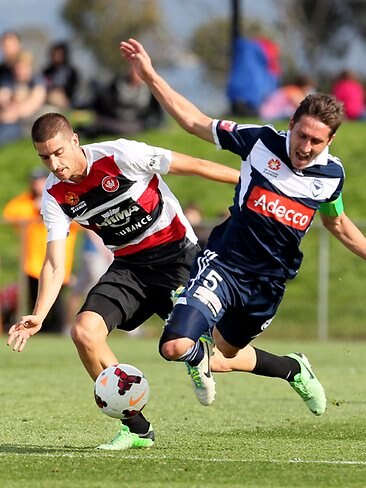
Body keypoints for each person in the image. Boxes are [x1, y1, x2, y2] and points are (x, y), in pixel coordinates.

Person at [120, 38, 366, 416]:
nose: (305, 146)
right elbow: (194, 122)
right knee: (174, 345)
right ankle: (194, 340)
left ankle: (293, 368)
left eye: (316, 141)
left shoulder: (331, 176)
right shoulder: (259, 141)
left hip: (268, 283)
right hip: (224, 265)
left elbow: (338, 223)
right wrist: (151, 75)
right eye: (301, 135)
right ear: (290, 125)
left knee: (222, 357)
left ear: (330, 141)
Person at [7, 112, 240, 451]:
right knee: (84, 332)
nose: (54, 163)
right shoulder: (55, 195)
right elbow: (55, 264)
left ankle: (290, 368)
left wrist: (250, 184)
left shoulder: (120, 155)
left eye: (58, 152)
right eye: (44, 157)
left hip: (177, 256)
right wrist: (39, 314)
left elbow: (192, 165)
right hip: (129, 265)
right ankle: (137, 428)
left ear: (74, 141)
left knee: (221, 352)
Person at [3, 167, 78, 333]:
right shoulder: (26, 202)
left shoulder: (60, 198)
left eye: (40, 181)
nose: (37, 185)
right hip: (32, 263)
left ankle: (57, 331)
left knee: (56, 301)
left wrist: (46, 208)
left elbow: (79, 222)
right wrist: (34, 207)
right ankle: (39, 331)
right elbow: (10, 214)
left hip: (58, 261)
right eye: (34, 182)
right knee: (34, 300)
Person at [82, 65, 164, 138]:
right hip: (115, 118)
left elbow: (156, 114)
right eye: (134, 70)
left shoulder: (149, 90)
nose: (136, 74)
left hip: (136, 122)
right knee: (104, 124)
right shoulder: (118, 84)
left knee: (115, 127)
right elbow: (104, 101)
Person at [0, 50, 47, 146]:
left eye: (22, 68)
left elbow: (32, 105)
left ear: (29, 67)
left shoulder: (37, 81)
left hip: (26, 124)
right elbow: (3, 97)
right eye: (16, 68)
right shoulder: (9, 80)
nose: (19, 71)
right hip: (7, 118)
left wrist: (12, 112)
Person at [42, 41, 80, 110]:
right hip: (46, 98)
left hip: (65, 103)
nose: (56, 56)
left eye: (59, 53)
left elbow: (72, 90)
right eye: (54, 53)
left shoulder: (71, 71)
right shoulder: (47, 71)